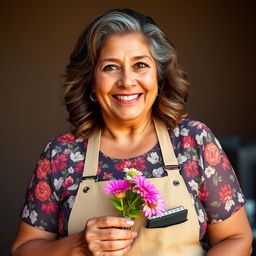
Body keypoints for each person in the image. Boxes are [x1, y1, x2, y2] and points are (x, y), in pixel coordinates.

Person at [11, 8, 252, 256]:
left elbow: (236, 238)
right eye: (110, 67)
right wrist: (76, 245)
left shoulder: (193, 142)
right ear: (91, 81)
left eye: (140, 65)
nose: (127, 81)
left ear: (159, 77)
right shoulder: (60, 156)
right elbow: (23, 249)